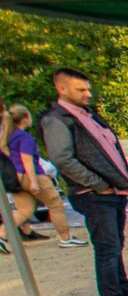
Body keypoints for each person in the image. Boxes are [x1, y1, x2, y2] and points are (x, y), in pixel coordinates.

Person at [40, 68, 128, 296]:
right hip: (94, 193)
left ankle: (125, 293)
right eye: (80, 89)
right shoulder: (57, 119)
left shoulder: (89, 116)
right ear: (62, 89)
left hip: (112, 190)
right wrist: (97, 183)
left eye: (88, 89)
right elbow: (62, 159)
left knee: (115, 245)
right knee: (107, 247)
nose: (87, 94)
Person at [6, 105, 85, 247]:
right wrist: (34, 181)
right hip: (32, 175)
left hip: (15, 177)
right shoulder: (24, 137)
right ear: (25, 118)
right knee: (55, 204)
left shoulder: (7, 137)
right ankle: (65, 237)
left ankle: (1, 235)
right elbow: (27, 160)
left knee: (24, 211)